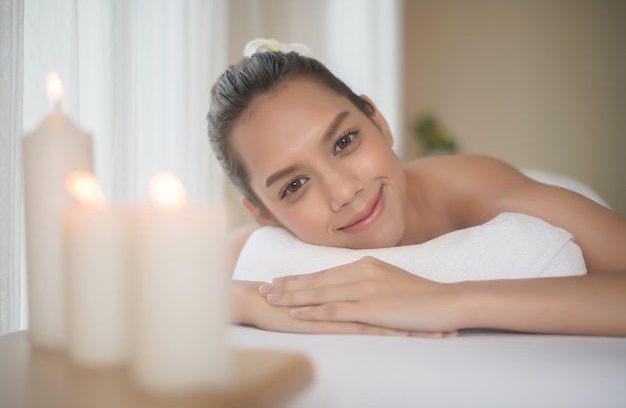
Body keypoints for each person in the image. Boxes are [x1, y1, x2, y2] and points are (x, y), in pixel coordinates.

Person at [207, 47, 626, 337]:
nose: (345, 192)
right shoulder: (263, 244)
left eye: (344, 141)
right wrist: (248, 303)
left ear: (379, 123)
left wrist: (449, 302)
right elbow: (153, 286)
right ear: (262, 213)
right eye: (294, 186)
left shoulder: (477, 190)